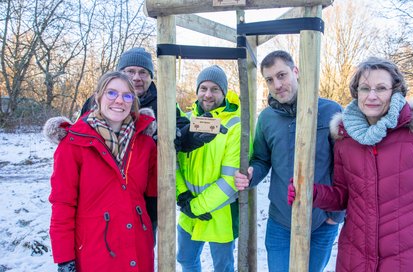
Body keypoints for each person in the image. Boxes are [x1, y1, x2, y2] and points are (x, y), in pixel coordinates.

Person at [288, 57, 413, 271]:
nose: (371, 96)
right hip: (354, 259)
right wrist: (311, 193)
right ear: (356, 92)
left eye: (381, 88)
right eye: (365, 88)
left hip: (407, 261)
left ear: (395, 91)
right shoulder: (345, 137)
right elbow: (344, 195)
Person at [78, 47, 218, 238]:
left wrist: (194, 134)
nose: (137, 77)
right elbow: (80, 140)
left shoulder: (164, 102)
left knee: (139, 250)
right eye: (130, 71)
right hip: (99, 197)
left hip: (145, 198)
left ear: (151, 76)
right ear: (120, 73)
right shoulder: (98, 101)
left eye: (143, 72)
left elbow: (181, 131)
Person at [234, 50, 345, 272]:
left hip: (322, 221)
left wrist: (335, 216)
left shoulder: (330, 111)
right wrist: (252, 174)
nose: (277, 84)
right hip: (280, 221)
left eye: (282, 75)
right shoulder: (266, 118)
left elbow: (344, 167)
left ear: (296, 71)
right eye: (269, 80)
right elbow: (262, 159)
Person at [45, 71, 157, 271]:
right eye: (111, 93)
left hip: (137, 247)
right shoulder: (73, 144)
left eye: (127, 96)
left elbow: (157, 190)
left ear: (133, 101)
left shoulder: (145, 143)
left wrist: (178, 143)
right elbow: (62, 204)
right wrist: (64, 259)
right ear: (98, 96)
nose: (119, 101)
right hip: (96, 250)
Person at [176, 65, 241, 272]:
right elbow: (176, 163)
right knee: (186, 260)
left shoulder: (235, 126)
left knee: (222, 267)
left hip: (220, 213)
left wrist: (196, 207)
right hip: (188, 210)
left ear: (224, 92)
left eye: (215, 89)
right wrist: (183, 196)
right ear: (197, 91)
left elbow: (231, 179)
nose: (208, 94)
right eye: (203, 88)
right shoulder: (187, 121)